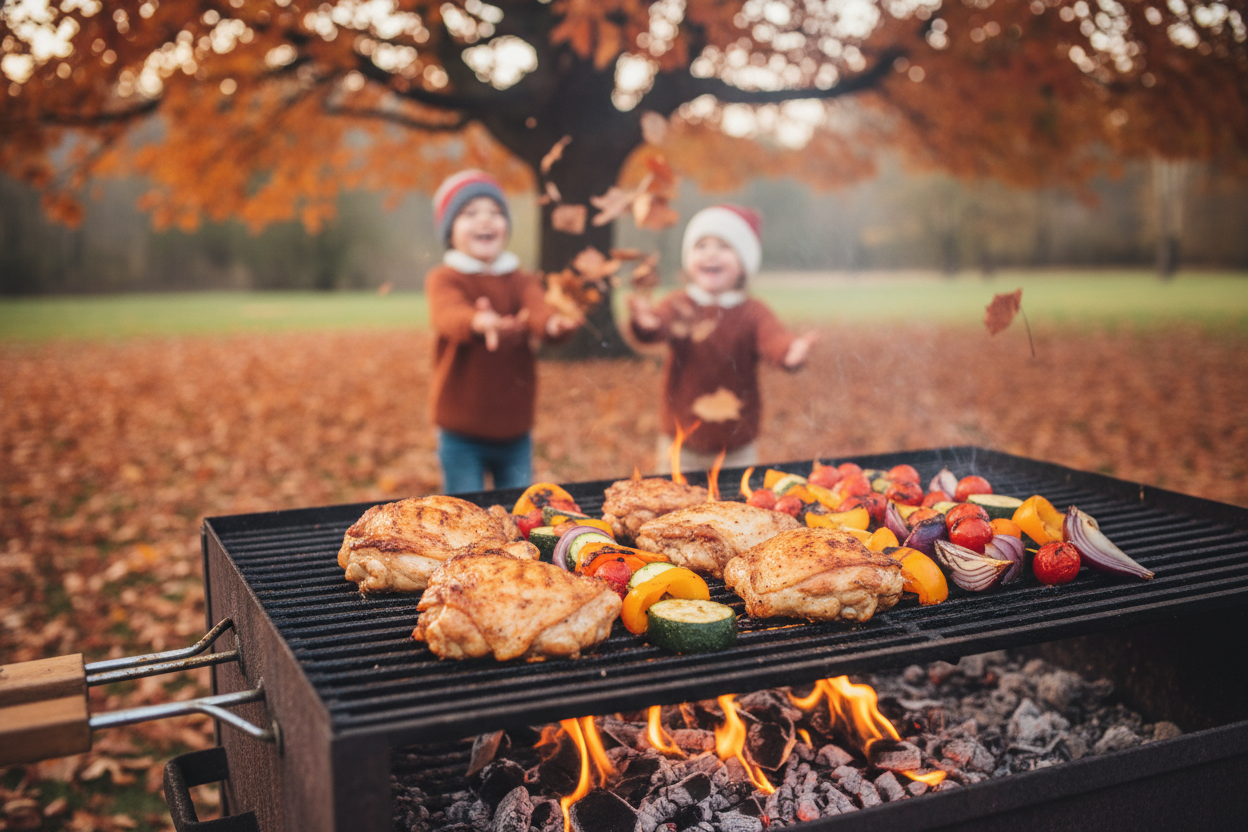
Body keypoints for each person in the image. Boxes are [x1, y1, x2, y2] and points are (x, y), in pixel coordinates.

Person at [627, 204, 815, 473]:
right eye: (701, 245)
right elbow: (658, 327)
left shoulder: (752, 312)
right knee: (673, 506)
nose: (711, 254)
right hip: (680, 440)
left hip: (736, 444)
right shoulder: (680, 304)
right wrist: (647, 323)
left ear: (743, 264)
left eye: (724, 247)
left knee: (737, 506)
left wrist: (789, 352)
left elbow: (773, 338)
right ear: (689, 257)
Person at [426, 170, 582, 493]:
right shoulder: (446, 278)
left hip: (515, 432)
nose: (485, 221)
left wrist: (553, 324)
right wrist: (478, 322)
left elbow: (538, 308)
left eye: (495, 213)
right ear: (449, 230)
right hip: (460, 433)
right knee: (465, 515)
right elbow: (448, 314)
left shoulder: (519, 279)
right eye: (470, 214)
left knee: (519, 509)